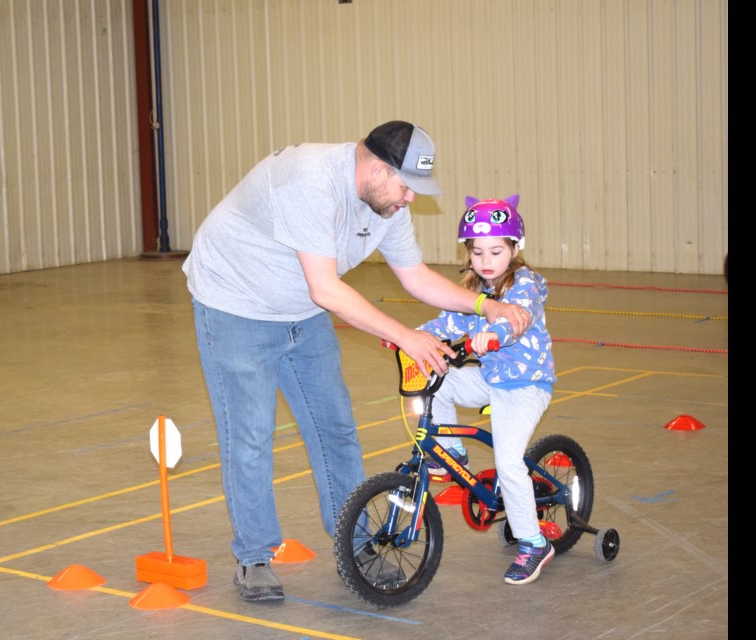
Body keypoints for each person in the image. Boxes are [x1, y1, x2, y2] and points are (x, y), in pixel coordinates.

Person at [182, 121, 530, 602]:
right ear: (376, 168)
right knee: (250, 437)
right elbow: (326, 288)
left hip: (301, 313)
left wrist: (485, 305)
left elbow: (415, 277)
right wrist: (407, 337)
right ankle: (254, 558)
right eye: (407, 186)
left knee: (336, 428)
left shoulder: (385, 202)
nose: (411, 199)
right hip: (235, 305)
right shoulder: (308, 181)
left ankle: (358, 544)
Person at [416, 194, 556, 585]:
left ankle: (534, 543)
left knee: (509, 463)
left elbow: (519, 318)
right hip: (492, 378)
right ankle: (450, 454)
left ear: (515, 248)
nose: (486, 260)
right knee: (436, 380)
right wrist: (412, 337)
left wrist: (493, 334)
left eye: (496, 250)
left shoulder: (523, 283)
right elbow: (447, 321)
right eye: (477, 252)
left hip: (525, 384)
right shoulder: (475, 286)